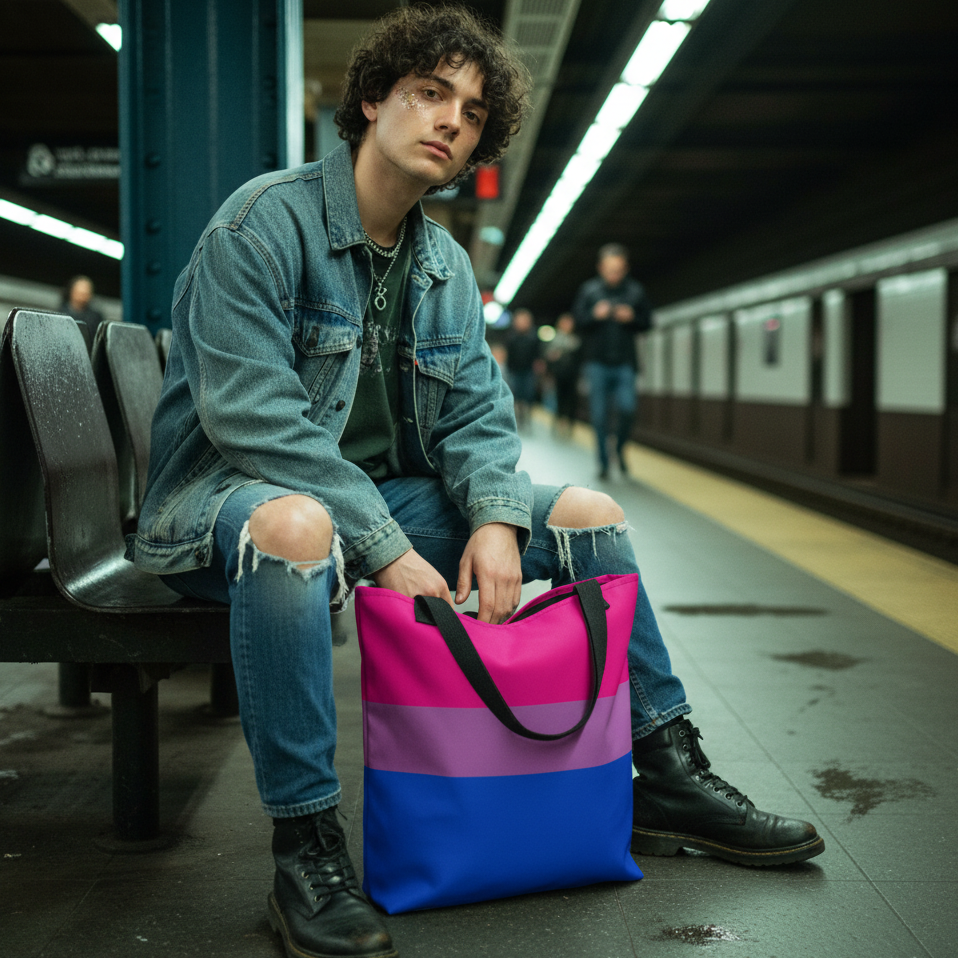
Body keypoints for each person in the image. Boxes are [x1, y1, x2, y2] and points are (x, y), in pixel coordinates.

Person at [128, 7, 824, 958]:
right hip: (225, 506)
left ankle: (664, 767)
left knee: (587, 516)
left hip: (379, 505)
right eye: (428, 93)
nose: (449, 120)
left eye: (469, 110)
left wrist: (495, 520)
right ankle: (306, 851)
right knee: (297, 525)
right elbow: (259, 426)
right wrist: (386, 548)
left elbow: (477, 417)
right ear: (371, 101)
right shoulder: (261, 224)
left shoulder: (443, 264)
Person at [572, 244, 651, 478]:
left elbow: (648, 322)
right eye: (609, 269)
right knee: (599, 416)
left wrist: (633, 317)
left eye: (617, 269)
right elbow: (576, 323)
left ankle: (618, 448)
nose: (613, 274)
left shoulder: (636, 292)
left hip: (625, 362)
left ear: (625, 268)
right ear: (600, 268)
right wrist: (593, 316)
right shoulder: (589, 291)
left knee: (628, 409)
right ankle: (604, 463)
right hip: (596, 363)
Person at [544, 311, 581, 436]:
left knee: (571, 400)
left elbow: (580, 359)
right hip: (559, 374)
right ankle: (558, 423)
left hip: (572, 375)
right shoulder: (554, 339)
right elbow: (548, 357)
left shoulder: (576, 340)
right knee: (559, 399)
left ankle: (570, 424)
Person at [503, 307, 541, 428]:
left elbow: (538, 355)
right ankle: (518, 416)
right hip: (514, 370)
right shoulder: (511, 336)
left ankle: (527, 416)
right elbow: (507, 354)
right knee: (516, 394)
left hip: (528, 370)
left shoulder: (534, 337)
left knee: (528, 394)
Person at [60, 274, 105, 345]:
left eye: (86, 293)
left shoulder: (96, 317)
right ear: (72, 292)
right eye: (80, 292)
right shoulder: (61, 314)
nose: (83, 295)